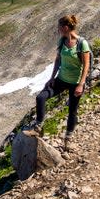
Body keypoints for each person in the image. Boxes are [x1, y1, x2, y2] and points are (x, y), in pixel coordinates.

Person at [34, 15, 91, 149]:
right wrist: (52, 78)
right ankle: (38, 126)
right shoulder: (62, 41)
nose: (58, 30)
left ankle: (68, 140)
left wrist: (81, 84)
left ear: (65, 27)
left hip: (75, 83)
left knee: (72, 111)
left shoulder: (82, 43)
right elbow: (58, 60)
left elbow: (86, 65)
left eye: (59, 27)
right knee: (41, 97)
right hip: (61, 79)